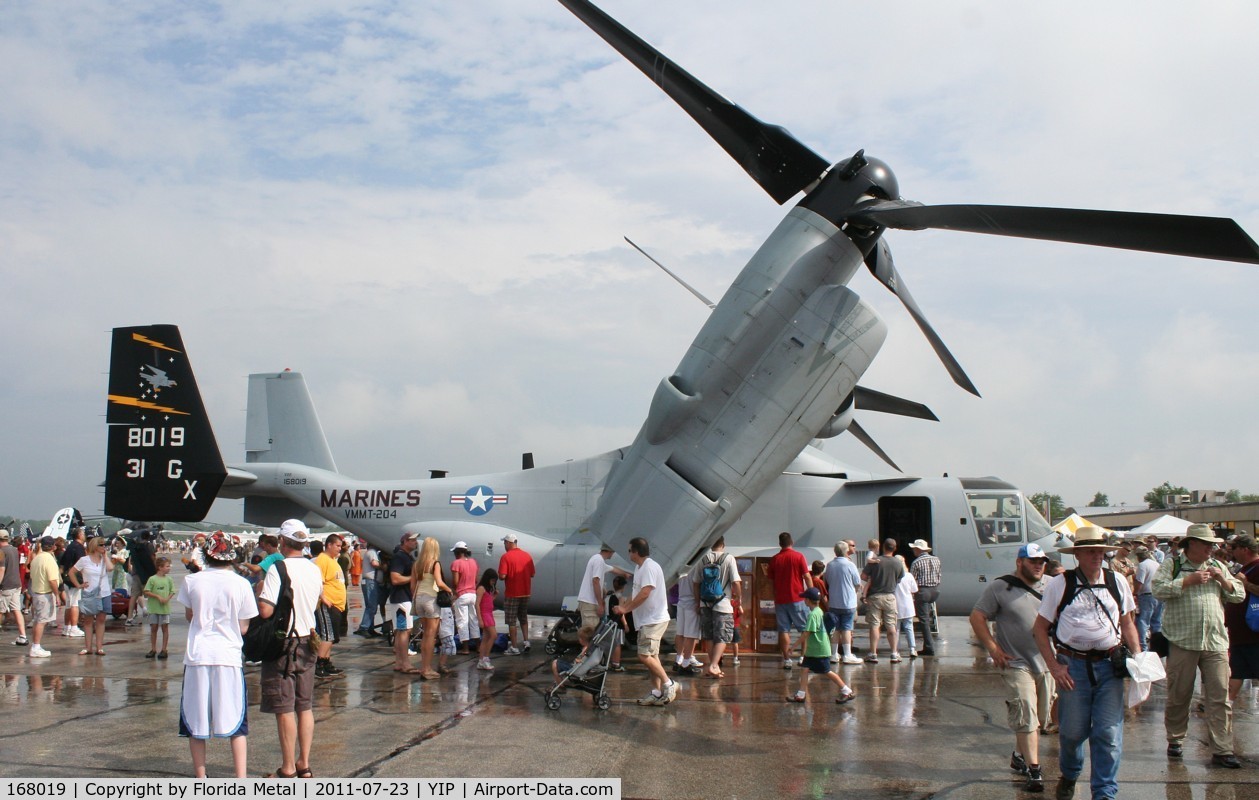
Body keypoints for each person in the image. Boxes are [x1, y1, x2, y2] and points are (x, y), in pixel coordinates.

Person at [1032, 526, 1141, 800]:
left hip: (1109, 666)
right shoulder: (1060, 584)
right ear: (1077, 554)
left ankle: (1104, 792)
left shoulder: (1117, 582)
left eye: (1100, 551)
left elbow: (1127, 623)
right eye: (1090, 551)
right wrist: (1055, 667)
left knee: (1108, 733)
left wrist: (1138, 657)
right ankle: (1070, 773)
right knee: (1072, 733)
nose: (1096, 556)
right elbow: (1040, 628)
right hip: (1073, 667)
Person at [1151, 524, 1244, 769]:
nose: (1211, 548)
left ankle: (1222, 749)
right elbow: (1157, 590)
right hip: (1183, 639)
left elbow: (1239, 595)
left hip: (1215, 640)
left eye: (1213, 545)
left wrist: (1223, 580)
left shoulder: (1218, 566)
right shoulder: (1173, 565)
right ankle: (1175, 738)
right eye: (1206, 544)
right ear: (1191, 543)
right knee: (1179, 694)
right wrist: (1186, 582)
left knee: (1220, 696)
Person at [970, 542, 1054, 793]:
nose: (1039, 566)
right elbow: (977, 616)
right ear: (1020, 562)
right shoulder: (1000, 586)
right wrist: (993, 648)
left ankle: (1019, 754)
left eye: (1042, 562)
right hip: (1016, 662)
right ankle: (1034, 770)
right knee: (1025, 711)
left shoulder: (1053, 585)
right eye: (1033, 561)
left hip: (1048, 661)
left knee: (1041, 718)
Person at [177, 531, 257, 778]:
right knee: (235, 719)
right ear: (231, 556)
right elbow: (244, 626)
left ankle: (201, 777)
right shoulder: (242, 584)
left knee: (196, 720)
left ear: (206, 555)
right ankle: (240, 778)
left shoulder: (192, 581)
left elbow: (190, 615)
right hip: (228, 655)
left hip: (198, 653)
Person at [257, 519, 323, 779]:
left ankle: (287, 768)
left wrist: (259, 590)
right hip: (309, 639)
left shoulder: (278, 568)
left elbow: (266, 609)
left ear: (282, 542)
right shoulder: (314, 569)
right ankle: (303, 764)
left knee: (284, 707)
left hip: (284, 643)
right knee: (304, 706)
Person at [613, 537, 677, 706]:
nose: (628, 554)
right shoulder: (639, 568)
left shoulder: (649, 567)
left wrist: (626, 609)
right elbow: (636, 593)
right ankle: (656, 693)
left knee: (643, 655)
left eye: (629, 550)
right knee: (652, 657)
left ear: (636, 552)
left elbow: (645, 593)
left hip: (654, 619)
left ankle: (669, 683)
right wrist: (623, 607)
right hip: (646, 620)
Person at [788, 588, 855, 705]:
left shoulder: (812, 615)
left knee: (827, 671)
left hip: (819, 650)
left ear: (808, 600)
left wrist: (793, 647)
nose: (804, 600)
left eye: (805, 598)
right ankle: (801, 694)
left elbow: (806, 633)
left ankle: (846, 690)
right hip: (814, 650)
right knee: (804, 669)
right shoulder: (819, 611)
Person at [692, 536, 740, 679]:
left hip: (705, 603)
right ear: (723, 545)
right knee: (722, 636)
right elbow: (736, 582)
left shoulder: (703, 558)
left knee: (709, 635)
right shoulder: (729, 558)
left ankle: (714, 666)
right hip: (723, 603)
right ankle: (713, 665)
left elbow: (696, 583)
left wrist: (697, 602)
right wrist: (738, 598)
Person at [411, 536, 452, 680]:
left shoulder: (417, 564)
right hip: (430, 599)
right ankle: (427, 669)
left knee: (425, 635)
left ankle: (424, 667)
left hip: (419, 599)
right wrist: (450, 590)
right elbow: (439, 583)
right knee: (431, 636)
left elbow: (412, 585)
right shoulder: (435, 564)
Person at [768, 531, 811, 669]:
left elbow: (770, 581)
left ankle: (787, 659)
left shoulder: (775, 559)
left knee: (784, 630)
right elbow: (807, 576)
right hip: (797, 598)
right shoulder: (798, 557)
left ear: (780, 544)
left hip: (781, 600)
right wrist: (812, 593)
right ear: (792, 542)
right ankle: (803, 657)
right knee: (805, 629)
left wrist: (774, 594)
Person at [1225, 535, 1259, 702]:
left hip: (1253, 634)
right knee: (1236, 671)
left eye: (1235, 548)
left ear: (1245, 549)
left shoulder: (1257, 567)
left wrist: (1245, 584)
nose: (1232, 551)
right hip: (1240, 635)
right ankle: (1226, 702)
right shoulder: (1243, 569)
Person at [863, 538, 905, 663]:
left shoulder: (875, 561)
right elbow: (900, 578)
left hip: (875, 596)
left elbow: (863, 576)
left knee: (875, 625)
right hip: (890, 597)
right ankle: (894, 653)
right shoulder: (898, 563)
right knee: (891, 625)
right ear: (895, 548)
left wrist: (873, 579)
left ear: (883, 547)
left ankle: (873, 653)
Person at [312, 533, 348, 678]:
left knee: (331, 636)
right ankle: (319, 664)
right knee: (327, 635)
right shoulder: (322, 560)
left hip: (337, 605)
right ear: (329, 545)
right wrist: (323, 598)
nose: (340, 549)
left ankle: (326, 661)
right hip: (328, 604)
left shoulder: (333, 560)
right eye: (337, 546)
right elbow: (317, 581)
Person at [69, 536, 112, 656]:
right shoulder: (84, 560)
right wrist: (78, 585)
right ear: (95, 546)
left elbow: (110, 568)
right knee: (88, 620)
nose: (104, 547)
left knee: (101, 619)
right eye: (101, 545)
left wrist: (105, 556)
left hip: (104, 592)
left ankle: (99, 647)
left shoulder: (104, 560)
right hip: (89, 593)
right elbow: (72, 572)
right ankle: (88, 647)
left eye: (104, 545)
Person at [823, 541, 863, 664]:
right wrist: (854, 592)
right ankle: (847, 654)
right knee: (846, 628)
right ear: (846, 551)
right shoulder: (850, 565)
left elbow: (827, 581)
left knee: (835, 628)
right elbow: (857, 583)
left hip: (834, 601)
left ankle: (834, 654)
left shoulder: (830, 565)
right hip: (848, 602)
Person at [387, 532, 420, 674]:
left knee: (402, 631)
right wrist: (413, 577)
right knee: (404, 631)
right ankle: (405, 663)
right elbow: (395, 578)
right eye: (412, 540)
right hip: (401, 598)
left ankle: (400, 662)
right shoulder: (399, 557)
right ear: (405, 541)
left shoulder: (406, 557)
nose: (415, 543)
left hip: (403, 598)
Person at [498, 533, 535, 655]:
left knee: (511, 621)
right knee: (523, 618)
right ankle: (526, 641)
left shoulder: (506, 557)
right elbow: (532, 574)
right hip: (525, 593)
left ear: (509, 543)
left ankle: (514, 647)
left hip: (512, 593)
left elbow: (502, 576)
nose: (504, 545)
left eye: (504, 543)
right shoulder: (527, 556)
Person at [27, 537, 60, 657]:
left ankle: (36, 645)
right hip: (44, 593)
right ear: (53, 546)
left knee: (38, 620)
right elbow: (52, 580)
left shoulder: (36, 558)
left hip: (36, 592)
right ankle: (35, 647)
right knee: (42, 621)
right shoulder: (49, 560)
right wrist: (57, 595)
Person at [909, 539, 941, 656]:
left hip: (923, 591)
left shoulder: (916, 562)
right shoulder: (936, 559)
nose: (913, 551)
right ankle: (927, 645)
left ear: (918, 549)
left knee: (924, 621)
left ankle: (929, 647)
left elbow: (912, 580)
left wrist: (912, 594)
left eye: (914, 549)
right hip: (935, 590)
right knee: (927, 617)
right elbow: (939, 575)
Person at [449, 541, 480, 653]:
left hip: (461, 595)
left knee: (462, 621)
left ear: (457, 552)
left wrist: (453, 590)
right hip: (473, 594)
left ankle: (465, 648)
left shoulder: (456, 563)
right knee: (474, 620)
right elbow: (476, 580)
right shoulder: (473, 562)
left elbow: (456, 582)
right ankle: (478, 646)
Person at [577, 543, 616, 631]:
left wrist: (625, 574)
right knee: (590, 634)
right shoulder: (599, 561)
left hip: (588, 602)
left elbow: (614, 569)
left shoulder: (597, 559)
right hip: (590, 603)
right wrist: (600, 604)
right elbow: (595, 581)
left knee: (591, 633)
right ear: (610, 551)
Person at [143, 557, 176, 659]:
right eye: (167, 566)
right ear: (160, 567)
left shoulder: (169, 579)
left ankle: (164, 649)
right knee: (154, 628)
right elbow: (146, 591)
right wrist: (157, 596)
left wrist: (167, 598)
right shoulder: (152, 579)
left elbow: (172, 591)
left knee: (165, 628)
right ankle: (153, 649)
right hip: (154, 608)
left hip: (164, 608)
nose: (169, 568)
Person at [0, 530, 29, 647]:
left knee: (0, 610)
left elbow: (1, 569)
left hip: (6, 585)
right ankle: (22, 636)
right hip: (16, 584)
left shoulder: (1, 552)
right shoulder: (14, 550)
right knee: (16, 610)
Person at [59, 526, 86, 638]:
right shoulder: (79, 547)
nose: (84, 535)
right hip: (75, 579)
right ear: (79, 535)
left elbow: (63, 563)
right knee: (75, 604)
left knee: (69, 604)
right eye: (83, 533)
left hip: (66, 578)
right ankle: (74, 627)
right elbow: (82, 563)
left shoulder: (70, 546)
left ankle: (67, 627)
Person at [1131, 545, 1160, 650]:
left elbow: (1139, 582)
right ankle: (1157, 647)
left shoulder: (1142, 565)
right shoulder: (1156, 564)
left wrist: (1135, 593)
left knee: (1143, 622)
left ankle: (1143, 647)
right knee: (1156, 622)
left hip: (1146, 595)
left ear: (1138, 556)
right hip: (1157, 594)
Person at [893, 556, 919, 659]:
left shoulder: (893, 576)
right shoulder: (908, 576)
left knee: (896, 629)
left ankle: (896, 649)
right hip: (908, 605)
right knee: (909, 628)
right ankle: (912, 649)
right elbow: (914, 590)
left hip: (895, 605)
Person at [354, 543, 383, 637]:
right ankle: (364, 627)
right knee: (372, 606)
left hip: (367, 581)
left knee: (370, 606)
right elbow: (374, 563)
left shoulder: (368, 552)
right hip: (370, 581)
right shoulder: (372, 552)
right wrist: (383, 566)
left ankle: (370, 628)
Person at [475, 568, 499, 671]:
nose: (493, 583)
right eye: (492, 580)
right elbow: (477, 604)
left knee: (485, 638)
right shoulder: (481, 588)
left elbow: (487, 602)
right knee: (493, 635)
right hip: (485, 615)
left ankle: (481, 660)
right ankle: (485, 658)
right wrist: (479, 619)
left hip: (488, 613)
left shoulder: (487, 590)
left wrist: (494, 596)